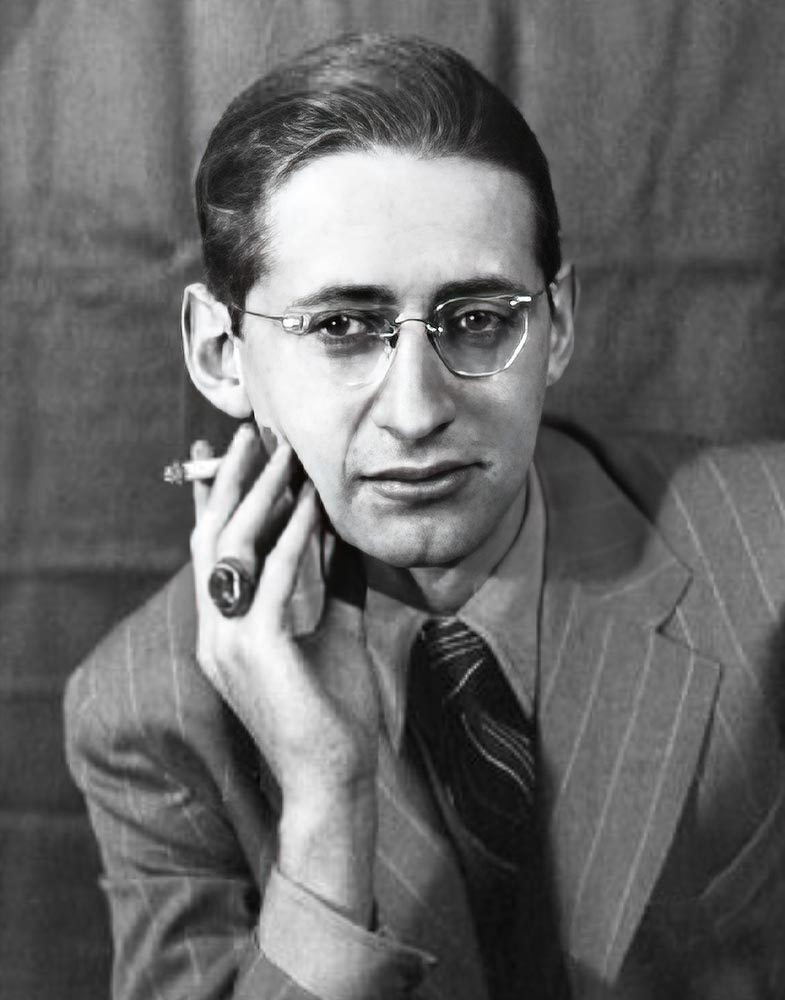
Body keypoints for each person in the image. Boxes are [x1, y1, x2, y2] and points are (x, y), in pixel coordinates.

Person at [64, 32, 785, 1000]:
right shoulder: (145, 709)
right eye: (340, 327)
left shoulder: (766, 550)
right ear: (220, 354)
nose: (414, 411)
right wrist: (327, 801)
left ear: (557, 326)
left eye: (478, 319)